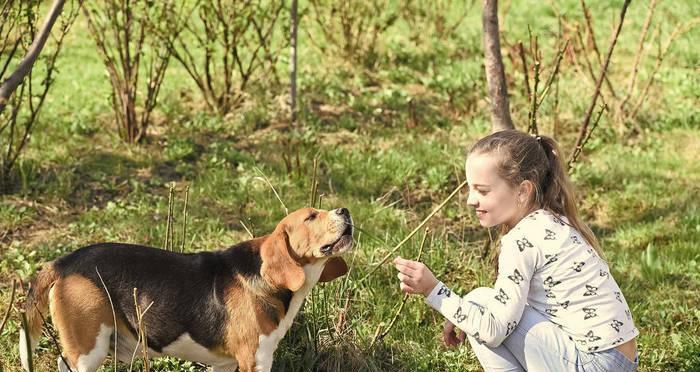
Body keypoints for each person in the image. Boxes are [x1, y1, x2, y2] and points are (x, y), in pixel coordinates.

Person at [393, 130, 639, 371]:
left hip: (593, 364)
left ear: (523, 191)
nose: (470, 200)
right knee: (478, 299)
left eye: (483, 190)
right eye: (470, 189)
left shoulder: (521, 239)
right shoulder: (554, 220)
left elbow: (493, 331)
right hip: (618, 361)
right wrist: (464, 310)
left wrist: (434, 290)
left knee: (480, 304)